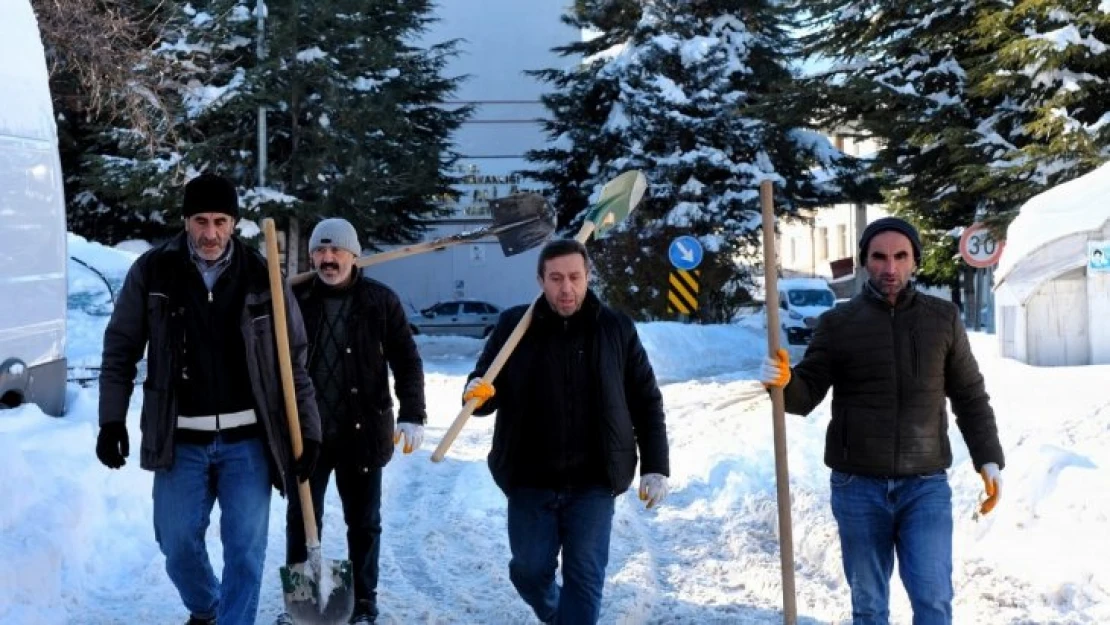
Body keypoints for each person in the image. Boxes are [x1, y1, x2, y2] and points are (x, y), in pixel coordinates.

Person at [95, 173, 322, 625]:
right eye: (201, 220)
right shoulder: (154, 270)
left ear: (234, 223)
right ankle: (208, 607)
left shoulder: (261, 275)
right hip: (180, 439)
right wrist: (111, 420)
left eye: (220, 221)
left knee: (245, 552)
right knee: (176, 543)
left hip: (247, 443)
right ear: (186, 221)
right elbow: (120, 348)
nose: (210, 232)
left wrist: (309, 432)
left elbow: (292, 359)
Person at [760, 216, 1005, 625]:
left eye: (900, 256)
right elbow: (805, 396)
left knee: (934, 600)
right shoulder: (838, 324)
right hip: (858, 486)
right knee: (870, 607)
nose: (889, 268)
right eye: (879, 257)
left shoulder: (942, 319)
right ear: (864, 262)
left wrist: (989, 457)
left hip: (925, 485)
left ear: (914, 261)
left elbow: (969, 395)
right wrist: (784, 383)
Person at [462, 238, 670, 625]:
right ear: (540, 280)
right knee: (529, 570)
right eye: (556, 278)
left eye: (575, 277)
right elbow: (483, 389)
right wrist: (475, 391)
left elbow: (646, 401)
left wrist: (656, 465)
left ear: (588, 276)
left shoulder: (615, 329)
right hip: (529, 478)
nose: (566, 288)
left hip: (594, 480)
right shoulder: (513, 327)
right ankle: (557, 614)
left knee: (585, 576)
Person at [279, 218, 426, 625]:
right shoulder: (291, 299)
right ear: (311, 255)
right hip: (307, 434)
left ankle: (363, 602)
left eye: (336, 251)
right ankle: (302, 604)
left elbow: (406, 359)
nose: (328, 259)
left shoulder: (380, 301)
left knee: (364, 523)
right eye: (320, 251)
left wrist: (413, 412)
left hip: (362, 432)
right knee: (301, 520)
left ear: (353, 254)